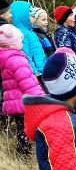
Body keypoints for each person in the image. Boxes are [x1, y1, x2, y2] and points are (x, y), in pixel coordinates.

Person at [0, 24, 44, 155]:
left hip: (13, 101)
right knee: (26, 129)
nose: (22, 44)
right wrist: (40, 97)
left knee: (22, 128)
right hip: (23, 101)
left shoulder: (5, 56)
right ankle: (24, 153)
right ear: (13, 43)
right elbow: (27, 82)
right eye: (21, 41)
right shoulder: (16, 59)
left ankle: (23, 151)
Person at [10, 0, 46, 77]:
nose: (35, 18)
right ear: (23, 17)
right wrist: (35, 72)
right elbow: (26, 55)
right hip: (36, 73)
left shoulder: (30, 31)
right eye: (32, 16)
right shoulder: (21, 34)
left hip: (42, 68)